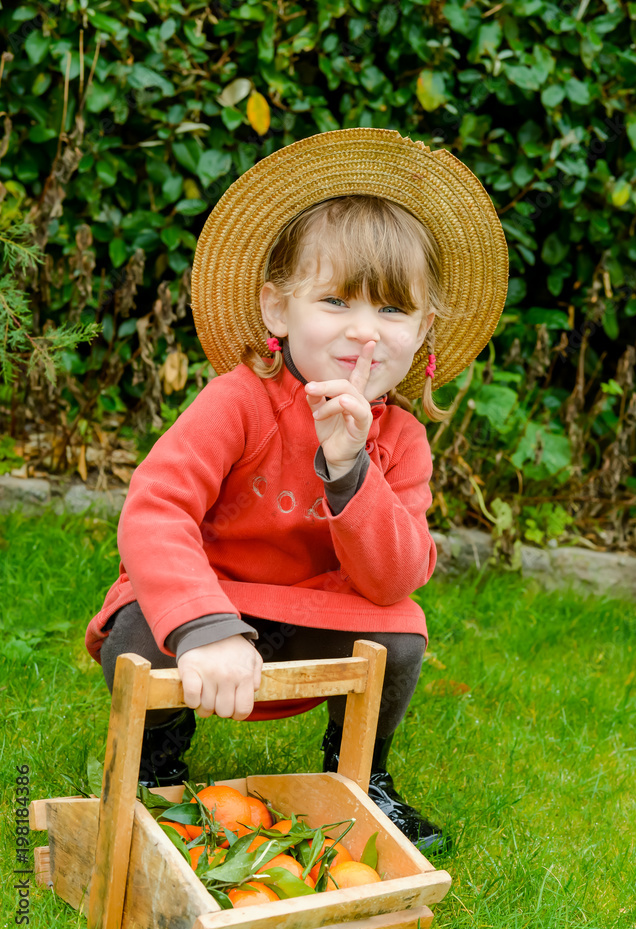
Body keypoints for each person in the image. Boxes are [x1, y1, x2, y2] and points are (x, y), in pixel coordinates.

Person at [85, 129, 508, 855]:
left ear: (425, 330)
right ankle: (155, 768)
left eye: (393, 311)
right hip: (214, 608)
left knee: (401, 629)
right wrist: (204, 626)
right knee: (137, 633)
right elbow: (157, 507)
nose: (364, 333)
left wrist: (351, 470)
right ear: (278, 311)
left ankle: (360, 776)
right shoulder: (239, 402)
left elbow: (396, 577)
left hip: (313, 617)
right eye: (337, 301)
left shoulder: (399, 439)